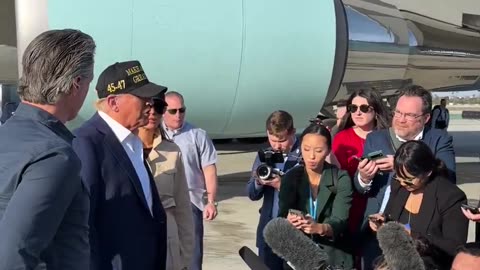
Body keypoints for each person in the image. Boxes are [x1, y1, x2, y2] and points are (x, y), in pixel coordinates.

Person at [0, 29, 95, 269]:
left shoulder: (7, 135)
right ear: (76, 84)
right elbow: (14, 254)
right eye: (88, 83)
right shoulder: (54, 156)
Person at [72, 60, 168, 270]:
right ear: (114, 102)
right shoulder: (87, 143)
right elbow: (83, 226)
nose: (150, 104)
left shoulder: (132, 142)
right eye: (142, 98)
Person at [354, 85, 456, 270]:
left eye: (409, 115)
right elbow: (361, 188)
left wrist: (404, 166)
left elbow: (449, 179)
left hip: (419, 234)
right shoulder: (375, 139)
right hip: (377, 228)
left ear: (426, 118)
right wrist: (364, 177)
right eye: (398, 113)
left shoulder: (439, 139)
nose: (400, 120)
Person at [369, 140, 468, 267]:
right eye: (399, 177)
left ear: (427, 172)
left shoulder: (450, 196)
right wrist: (381, 222)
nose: (403, 183)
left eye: (409, 180)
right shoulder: (399, 185)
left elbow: (455, 247)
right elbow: (390, 217)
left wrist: (414, 235)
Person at [278, 122, 353, 269]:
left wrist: (319, 228)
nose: (311, 156)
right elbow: (281, 215)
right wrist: (289, 220)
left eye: (318, 150)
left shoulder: (341, 178)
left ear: (328, 151)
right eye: (306, 149)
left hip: (333, 258)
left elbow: (340, 220)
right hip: (298, 257)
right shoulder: (291, 177)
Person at [332, 89, 390, 267]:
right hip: (351, 205)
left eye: (364, 108)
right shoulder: (342, 138)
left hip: (379, 207)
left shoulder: (388, 137)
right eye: (353, 107)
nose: (357, 112)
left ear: (375, 110)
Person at [162, 91, 218, 270]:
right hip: (162, 203)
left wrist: (210, 201)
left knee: (192, 256)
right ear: (163, 111)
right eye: (173, 111)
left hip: (190, 202)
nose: (178, 115)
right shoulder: (153, 134)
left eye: (182, 110)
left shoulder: (197, 135)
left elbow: (209, 169)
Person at [138, 97, 195, 270]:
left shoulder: (172, 151)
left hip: (167, 245)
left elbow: (183, 207)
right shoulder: (123, 148)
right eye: (148, 107)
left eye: (159, 108)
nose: (153, 112)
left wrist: (184, 258)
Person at [246, 110, 301, 269]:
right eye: (272, 140)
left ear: (292, 132)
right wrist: (259, 181)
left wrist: (281, 185)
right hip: (268, 233)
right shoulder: (265, 154)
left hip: (295, 235)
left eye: (282, 140)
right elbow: (251, 193)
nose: (277, 146)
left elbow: (310, 193)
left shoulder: (305, 153)